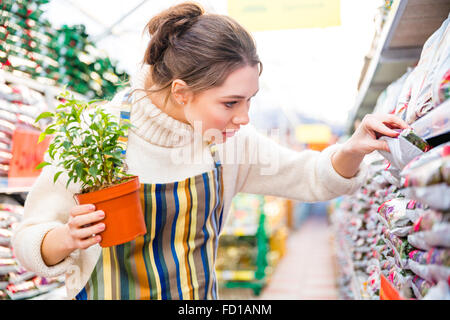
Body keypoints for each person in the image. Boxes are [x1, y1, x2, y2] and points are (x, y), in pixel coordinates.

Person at [12, 2, 409, 300]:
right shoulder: (94, 138)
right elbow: (26, 240)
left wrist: (353, 148)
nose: (244, 118)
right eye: (231, 103)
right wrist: (64, 238)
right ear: (181, 92)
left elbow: (310, 176)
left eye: (250, 101)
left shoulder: (230, 145)